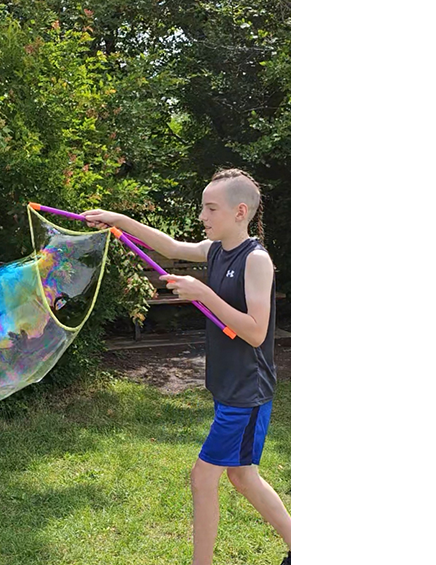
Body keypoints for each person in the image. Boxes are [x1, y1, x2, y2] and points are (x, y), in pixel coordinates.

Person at [82, 168, 291, 565]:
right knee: (242, 475)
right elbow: (171, 245)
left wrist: (203, 293)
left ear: (240, 212)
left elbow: (255, 332)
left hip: (247, 390)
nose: (202, 216)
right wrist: (117, 219)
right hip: (228, 384)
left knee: (203, 476)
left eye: (211, 208)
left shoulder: (256, 260)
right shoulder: (215, 251)